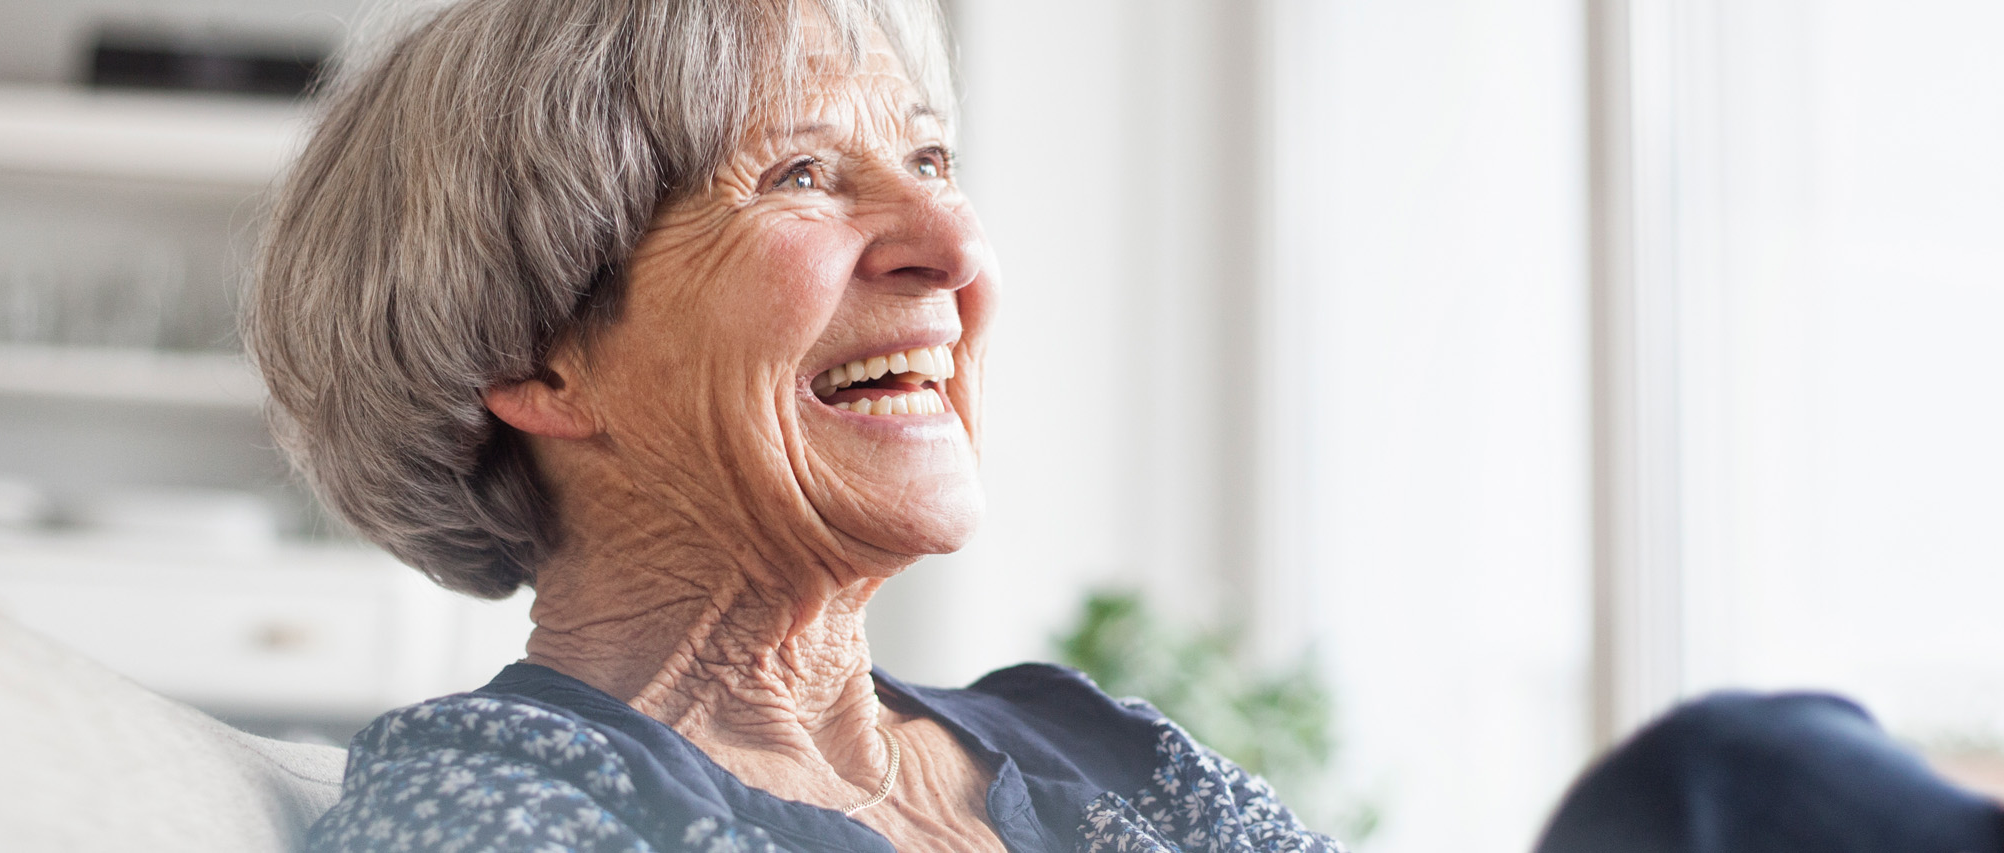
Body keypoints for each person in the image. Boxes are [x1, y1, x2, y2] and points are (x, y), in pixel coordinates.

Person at [245, 0, 2003, 850]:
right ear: (542, 360)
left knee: (1738, 778)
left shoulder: (1085, 742)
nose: (953, 245)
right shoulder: (495, 805)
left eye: (930, 163)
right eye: (798, 173)